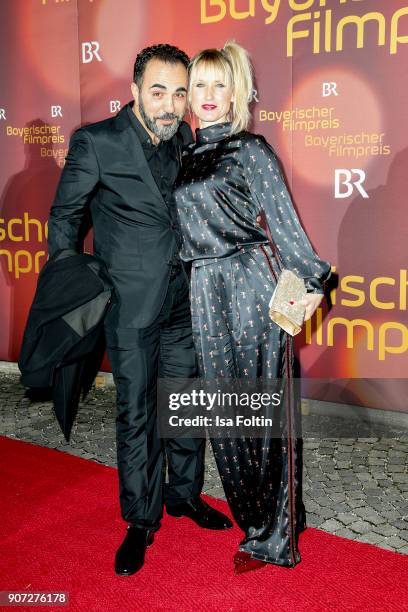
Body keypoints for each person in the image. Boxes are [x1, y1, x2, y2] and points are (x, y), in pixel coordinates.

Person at [47, 44, 232, 577]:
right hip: (128, 307)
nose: (171, 104)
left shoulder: (185, 143)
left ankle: (183, 495)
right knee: (137, 413)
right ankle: (140, 519)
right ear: (134, 92)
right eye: (159, 92)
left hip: (183, 302)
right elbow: (65, 219)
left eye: (180, 92)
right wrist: (77, 286)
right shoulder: (98, 142)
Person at [174, 41, 331, 571]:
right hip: (206, 293)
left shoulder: (251, 149)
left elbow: (285, 229)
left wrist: (308, 287)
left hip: (252, 289)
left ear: (237, 91)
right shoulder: (188, 154)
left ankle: (275, 537)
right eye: (200, 85)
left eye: (220, 84)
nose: (209, 95)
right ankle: (262, 516)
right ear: (188, 96)